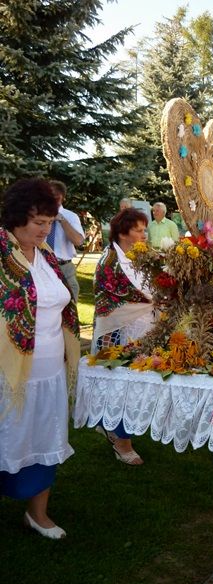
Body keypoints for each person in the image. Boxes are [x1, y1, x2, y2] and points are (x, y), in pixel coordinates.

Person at [0, 178, 80, 539]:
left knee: (44, 438)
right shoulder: (2, 256)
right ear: (17, 218)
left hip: (49, 372)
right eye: (38, 222)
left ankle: (37, 514)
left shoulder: (46, 255)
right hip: (10, 375)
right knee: (8, 437)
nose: (45, 230)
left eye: (49, 222)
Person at [92, 207, 157, 465]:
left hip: (143, 328)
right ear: (122, 233)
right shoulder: (109, 262)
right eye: (138, 230)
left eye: (144, 229)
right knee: (122, 383)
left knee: (135, 384)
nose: (144, 234)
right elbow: (110, 303)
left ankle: (111, 425)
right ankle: (121, 441)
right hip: (118, 332)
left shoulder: (139, 256)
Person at [46, 180, 85, 302]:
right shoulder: (39, 216)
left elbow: (78, 241)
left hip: (64, 268)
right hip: (42, 265)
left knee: (70, 304)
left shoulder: (70, 216)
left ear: (61, 197)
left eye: (55, 195)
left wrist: (62, 220)